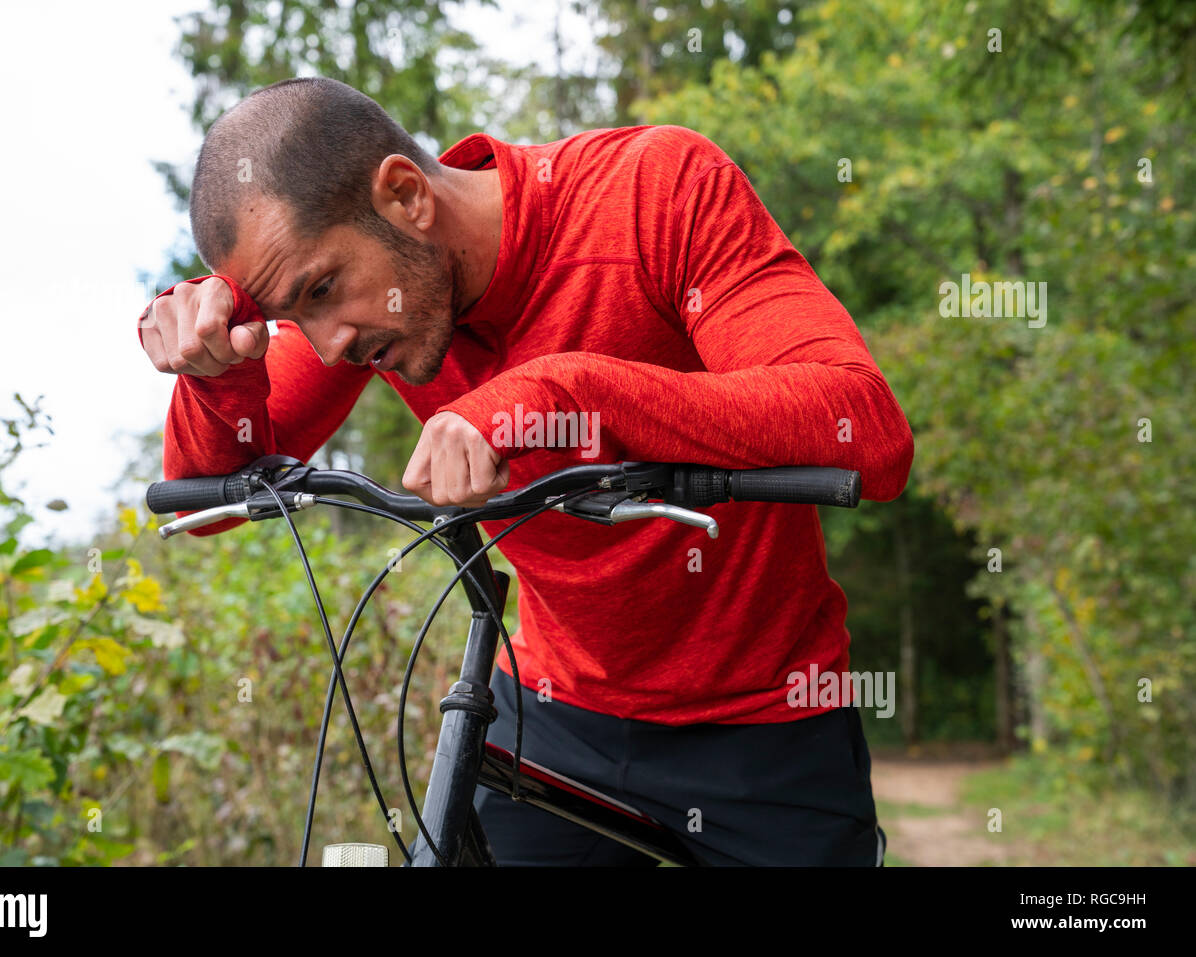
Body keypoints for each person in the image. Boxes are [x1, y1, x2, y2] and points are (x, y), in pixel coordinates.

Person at [136, 76, 913, 866]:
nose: (327, 342)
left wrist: (565, 389)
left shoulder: (654, 190)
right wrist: (216, 375)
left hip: (767, 725)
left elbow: (867, 432)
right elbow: (209, 502)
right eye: (291, 316)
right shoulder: (372, 311)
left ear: (406, 195)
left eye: (321, 290)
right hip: (549, 713)